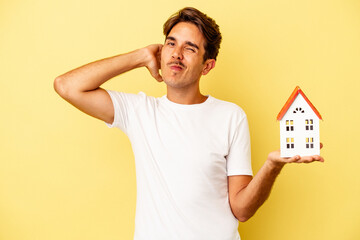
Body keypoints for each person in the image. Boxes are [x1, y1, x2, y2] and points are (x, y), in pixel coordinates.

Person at [54, 7, 324, 240]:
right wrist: (140, 56)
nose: (176, 54)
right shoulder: (139, 111)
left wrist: (272, 166)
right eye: (171, 44)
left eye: (189, 48)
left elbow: (241, 209)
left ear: (207, 66)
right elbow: (67, 86)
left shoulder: (231, 116)